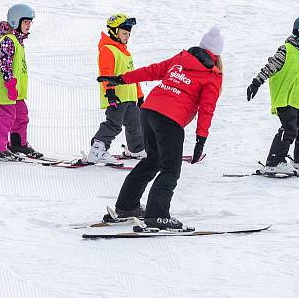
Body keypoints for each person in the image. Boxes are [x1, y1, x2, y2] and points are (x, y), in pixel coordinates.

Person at [108, 27, 224, 230]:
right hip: (170, 119)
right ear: (217, 55)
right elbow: (207, 109)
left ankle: (126, 207)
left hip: (149, 110)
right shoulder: (212, 75)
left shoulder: (181, 59)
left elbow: (153, 70)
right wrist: (201, 139)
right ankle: (158, 216)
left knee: (152, 161)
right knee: (170, 168)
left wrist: (123, 78)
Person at [246, 15, 299, 174]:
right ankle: (274, 161)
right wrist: (256, 82)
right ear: (298, 33)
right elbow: (270, 67)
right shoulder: (286, 50)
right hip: (284, 99)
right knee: (289, 129)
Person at [0, 4, 43, 159]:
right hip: (4, 88)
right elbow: (5, 64)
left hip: (15, 91)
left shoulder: (18, 41)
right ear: (16, 22)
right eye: (26, 22)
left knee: (21, 115)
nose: (29, 25)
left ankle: (18, 144)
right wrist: (10, 84)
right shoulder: (8, 41)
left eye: (30, 22)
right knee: (7, 116)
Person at [87, 13, 145, 164]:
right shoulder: (108, 49)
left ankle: (136, 149)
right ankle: (98, 149)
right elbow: (106, 73)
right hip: (117, 97)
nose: (127, 36)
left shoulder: (125, 52)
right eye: (124, 33)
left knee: (135, 124)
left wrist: (139, 95)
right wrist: (110, 93)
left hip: (129, 97)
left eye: (129, 34)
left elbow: (134, 76)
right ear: (114, 31)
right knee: (114, 124)